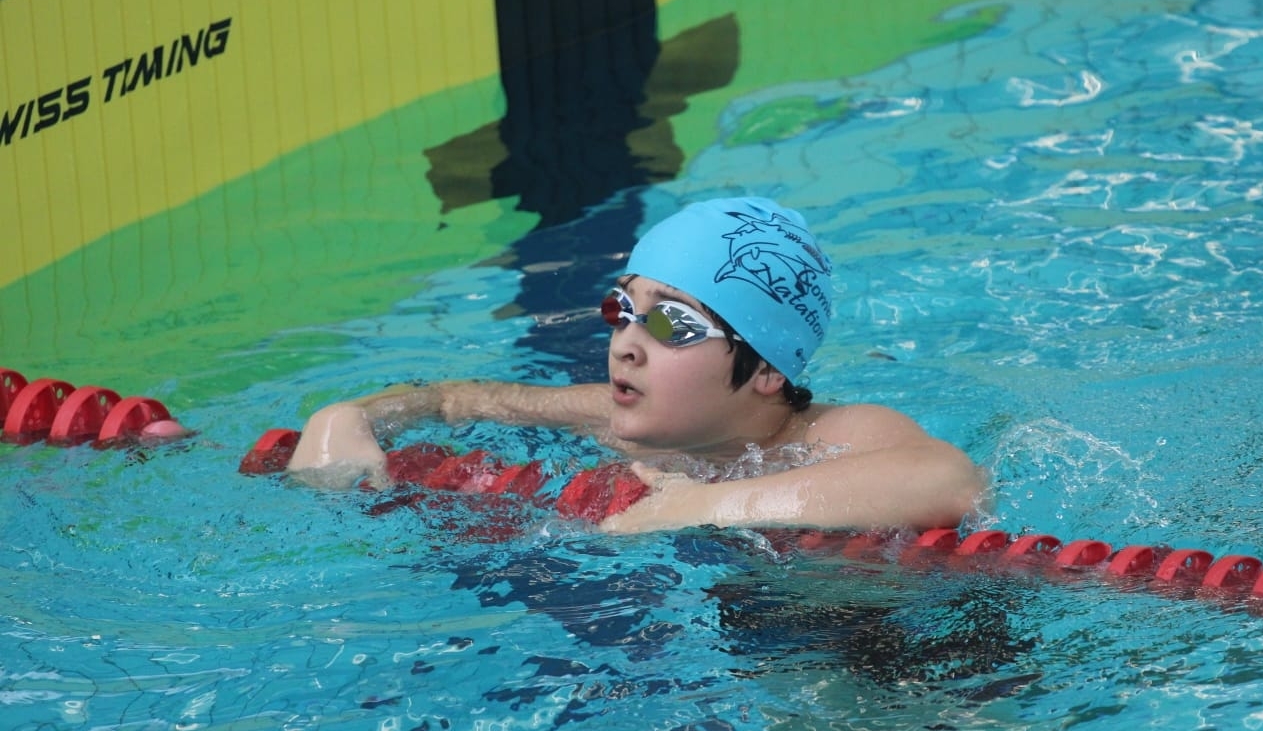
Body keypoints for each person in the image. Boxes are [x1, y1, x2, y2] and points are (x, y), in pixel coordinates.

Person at [288, 196, 985, 533]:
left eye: (670, 322)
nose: (625, 341)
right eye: (622, 308)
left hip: (925, 649)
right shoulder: (612, 417)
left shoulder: (835, 435)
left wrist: (703, 505)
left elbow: (950, 480)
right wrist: (348, 416)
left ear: (767, 369)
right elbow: (449, 400)